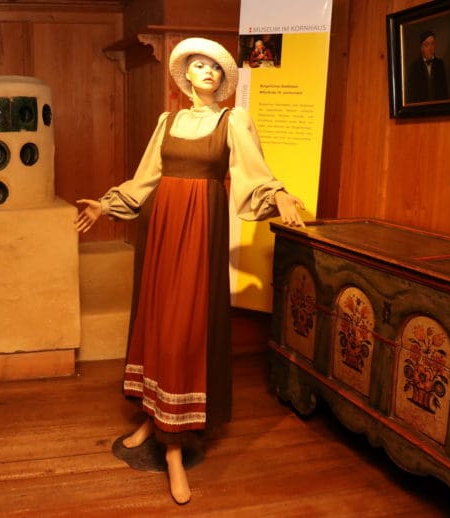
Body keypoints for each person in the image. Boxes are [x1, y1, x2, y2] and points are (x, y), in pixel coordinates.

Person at [75, 37, 305, 505]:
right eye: (198, 65)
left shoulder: (233, 121)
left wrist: (278, 194)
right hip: (161, 229)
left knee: (185, 329)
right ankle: (152, 416)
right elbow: (146, 178)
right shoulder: (168, 121)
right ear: (186, 76)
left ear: (222, 79)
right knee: (158, 323)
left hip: (200, 231)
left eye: (214, 67)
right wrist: (106, 204)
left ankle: (175, 445)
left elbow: (253, 174)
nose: (207, 72)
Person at [405, 30, 448, 103]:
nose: (430, 48)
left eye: (432, 44)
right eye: (427, 45)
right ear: (421, 47)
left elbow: (444, 91)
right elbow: (411, 95)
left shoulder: (440, 64)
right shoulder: (414, 67)